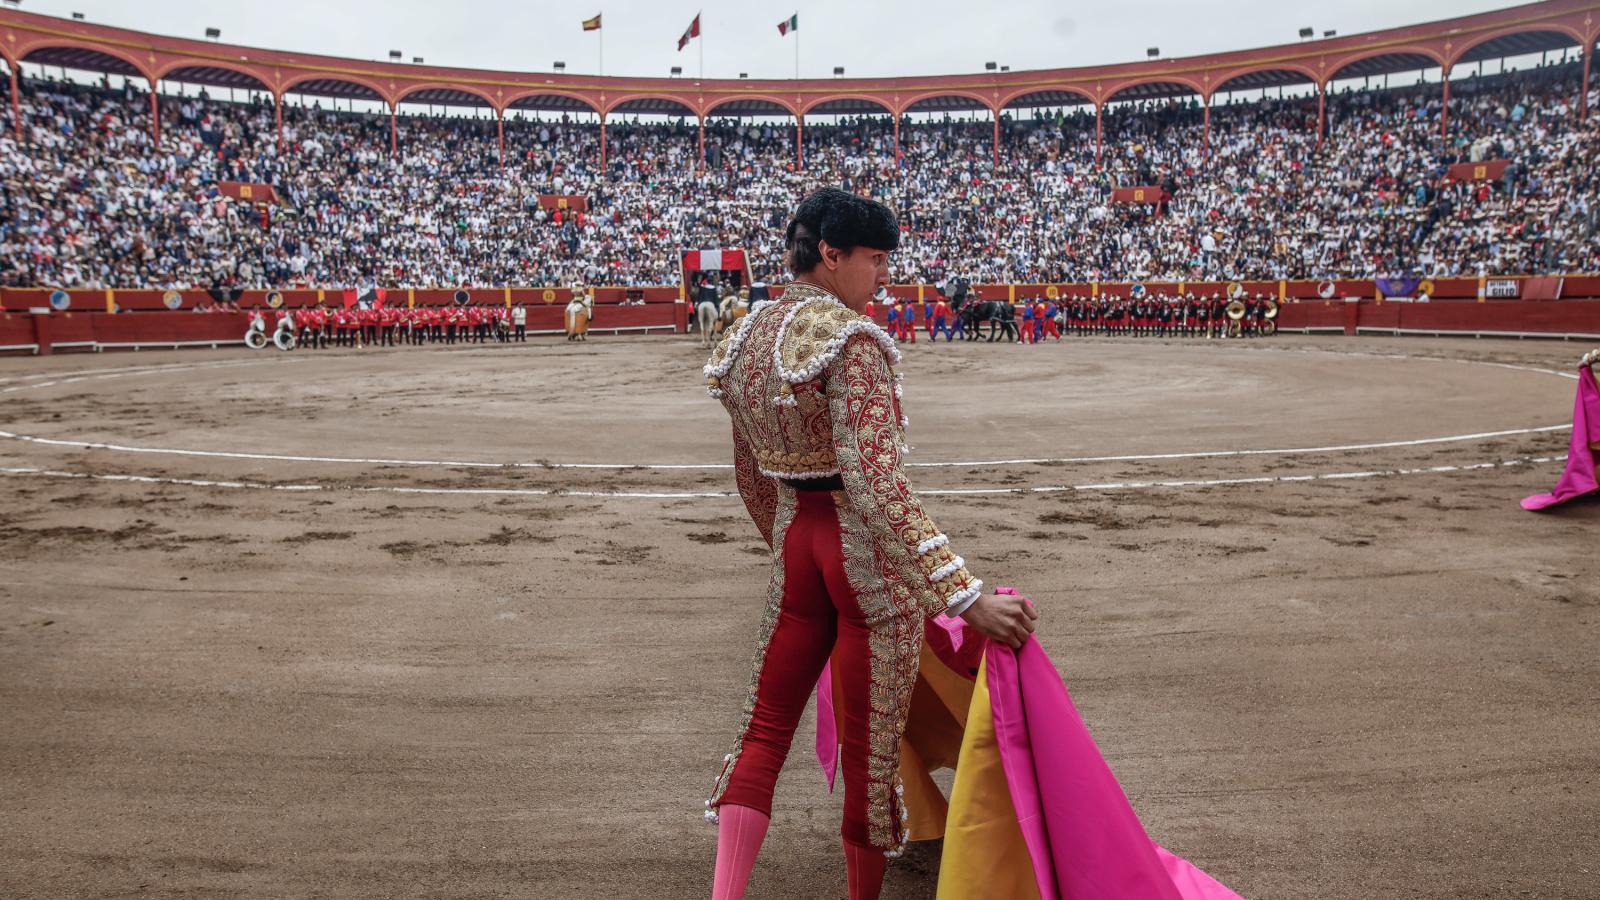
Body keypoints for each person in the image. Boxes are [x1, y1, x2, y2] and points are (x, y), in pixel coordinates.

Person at [701, 188, 1037, 899]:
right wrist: (964, 597)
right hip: (865, 564)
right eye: (874, 259)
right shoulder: (852, 342)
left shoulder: (745, 338)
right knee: (869, 758)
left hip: (796, 547)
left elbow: (751, 478)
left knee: (762, 733)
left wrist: (790, 549)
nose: (882, 276)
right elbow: (877, 485)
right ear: (832, 255)